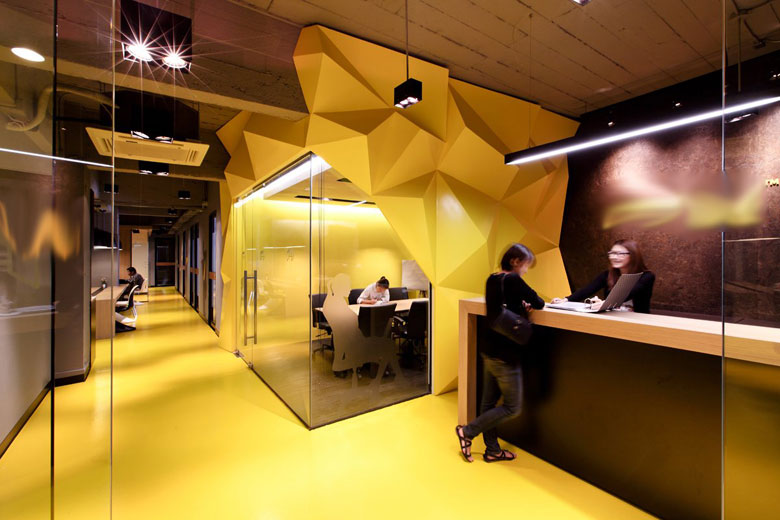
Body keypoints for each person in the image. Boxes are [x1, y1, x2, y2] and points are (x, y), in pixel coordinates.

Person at [455, 243, 544, 463]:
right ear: (515, 262)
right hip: (506, 354)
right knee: (512, 407)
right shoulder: (513, 279)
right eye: (526, 265)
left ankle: (493, 450)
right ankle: (467, 432)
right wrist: (526, 306)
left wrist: (519, 306)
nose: (525, 271)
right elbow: (539, 302)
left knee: (488, 403)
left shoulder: (492, 279)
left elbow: (501, 309)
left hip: (489, 349)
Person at [551, 239, 655, 313]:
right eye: (612, 253)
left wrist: (605, 303)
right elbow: (587, 289)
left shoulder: (647, 276)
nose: (614, 257)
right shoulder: (608, 274)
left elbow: (627, 293)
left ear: (633, 255)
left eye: (620, 254)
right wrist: (566, 300)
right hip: (612, 318)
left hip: (637, 320)